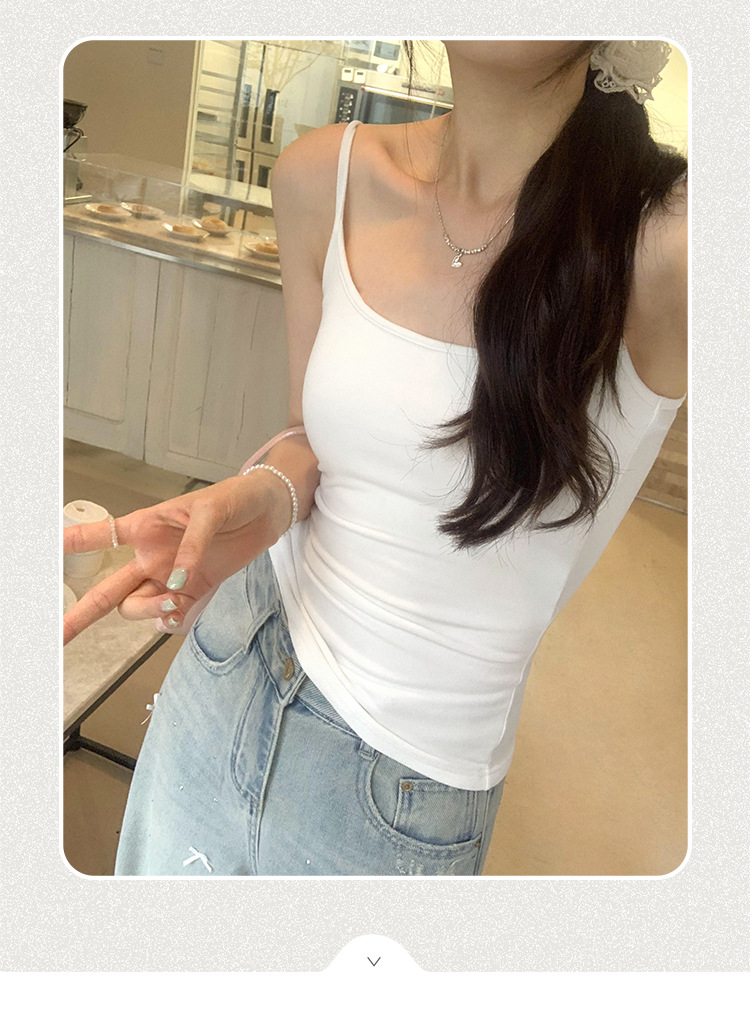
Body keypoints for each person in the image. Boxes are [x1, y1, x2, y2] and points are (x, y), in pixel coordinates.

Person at [62, 40, 687, 876]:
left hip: (398, 786)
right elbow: (307, 433)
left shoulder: (672, 244)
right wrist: (265, 495)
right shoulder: (325, 173)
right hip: (228, 664)